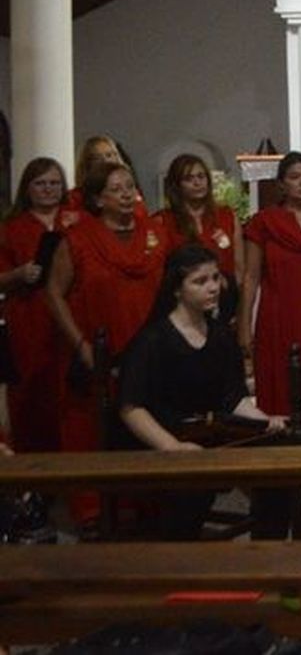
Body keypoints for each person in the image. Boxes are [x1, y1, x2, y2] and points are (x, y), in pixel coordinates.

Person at [116, 246, 286, 539]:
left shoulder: (220, 336)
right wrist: (172, 447)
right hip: (162, 442)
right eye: (200, 281)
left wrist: (264, 423)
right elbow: (131, 407)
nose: (213, 288)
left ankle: (266, 552)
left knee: (278, 467)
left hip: (210, 436)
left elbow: (234, 398)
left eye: (215, 278)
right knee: (188, 490)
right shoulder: (153, 340)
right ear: (177, 289)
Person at [44, 161, 167, 522]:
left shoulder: (154, 232)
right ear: (97, 199)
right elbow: (53, 293)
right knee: (93, 425)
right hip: (98, 345)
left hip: (147, 345)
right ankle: (94, 508)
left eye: (130, 186)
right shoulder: (78, 239)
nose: (127, 194)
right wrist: (80, 344)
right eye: (117, 189)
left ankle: (146, 502)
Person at [237, 152, 301, 415]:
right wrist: (243, 326)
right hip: (278, 317)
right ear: (282, 184)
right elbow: (250, 277)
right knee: (282, 390)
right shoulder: (264, 222)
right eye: (295, 177)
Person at [0, 158, 68, 453]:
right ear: (27, 189)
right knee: (30, 390)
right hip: (29, 316)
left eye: (54, 183)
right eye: (40, 183)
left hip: (69, 314)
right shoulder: (12, 228)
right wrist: (18, 274)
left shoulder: (75, 219)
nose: (48, 189)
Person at [155, 153, 243, 320]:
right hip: (181, 308)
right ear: (177, 185)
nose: (197, 183)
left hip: (223, 303)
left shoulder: (227, 216)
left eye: (201, 176)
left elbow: (239, 269)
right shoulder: (163, 221)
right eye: (189, 178)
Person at [63, 135, 147, 223]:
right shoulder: (74, 197)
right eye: (97, 158)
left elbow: (141, 218)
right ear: (87, 164)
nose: (105, 161)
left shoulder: (131, 192)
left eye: (109, 155)